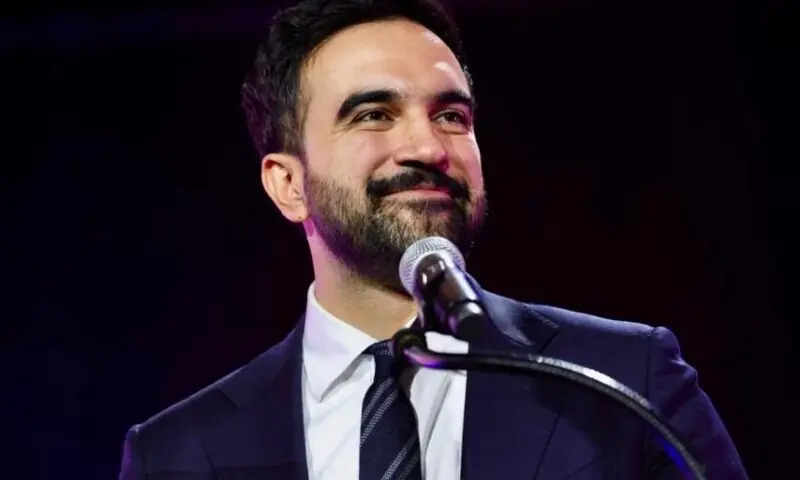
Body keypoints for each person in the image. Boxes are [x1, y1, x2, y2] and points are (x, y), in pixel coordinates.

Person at [118, 0, 748, 478]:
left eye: (451, 116)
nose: (427, 147)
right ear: (288, 183)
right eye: (373, 115)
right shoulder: (177, 454)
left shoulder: (622, 381)